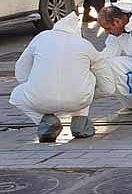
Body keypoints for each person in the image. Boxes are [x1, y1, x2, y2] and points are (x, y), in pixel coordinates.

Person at [9, 13, 115, 142]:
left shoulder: (41, 38)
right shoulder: (84, 44)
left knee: (16, 96)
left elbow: (21, 68)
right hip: (78, 100)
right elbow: (107, 86)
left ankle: (46, 121)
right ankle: (80, 124)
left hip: (41, 99)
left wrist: (33, 86)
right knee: (86, 81)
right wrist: (91, 95)